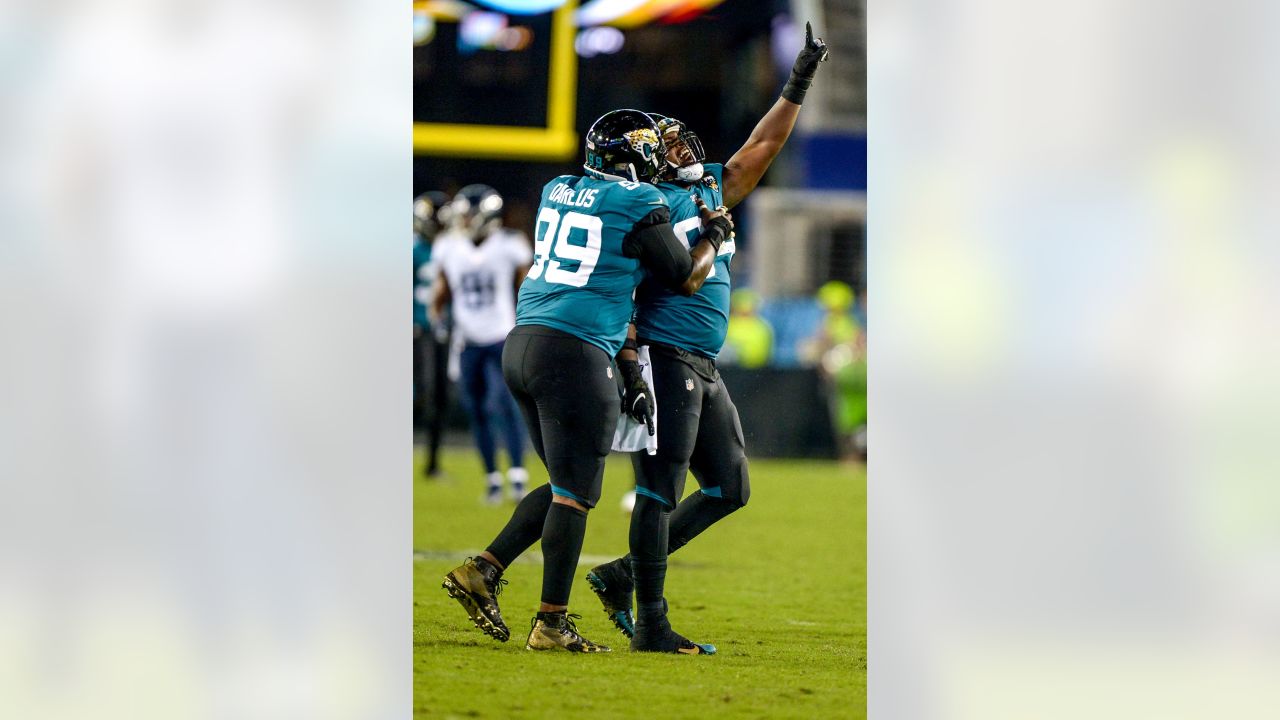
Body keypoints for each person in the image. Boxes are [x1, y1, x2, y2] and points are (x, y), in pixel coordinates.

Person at [440, 110, 732, 654]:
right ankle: (551, 623)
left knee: (561, 484)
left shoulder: (557, 188)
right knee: (576, 496)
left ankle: (484, 569)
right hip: (573, 350)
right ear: (632, 155)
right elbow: (683, 276)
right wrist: (713, 234)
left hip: (522, 341)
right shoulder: (640, 201)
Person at [584, 22, 829, 643]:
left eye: (681, 140)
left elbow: (765, 143)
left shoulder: (714, 184)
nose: (679, 149)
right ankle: (652, 624)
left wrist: (798, 79)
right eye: (665, 146)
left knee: (729, 486)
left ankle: (619, 576)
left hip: (700, 361)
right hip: (665, 356)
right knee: (659, 490)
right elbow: (622, 286)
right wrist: (632, 361)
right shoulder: (647, 207)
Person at [431, 184, 533, 502]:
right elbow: (443, 290)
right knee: (475, 408)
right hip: (467, 340)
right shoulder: (449, 247)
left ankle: (517, 474)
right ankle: (492, 478)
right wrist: (437, 316)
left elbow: (526, 289)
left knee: (500, 403)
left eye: (468, 214)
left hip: (501, 336)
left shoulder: (509, 245)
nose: (462, 220)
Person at [413, 191, 452, 479]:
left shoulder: (452, 250)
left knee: (437, 398)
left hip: (437, 332)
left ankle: (432, 463)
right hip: (414, 330)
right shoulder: (412, 249)